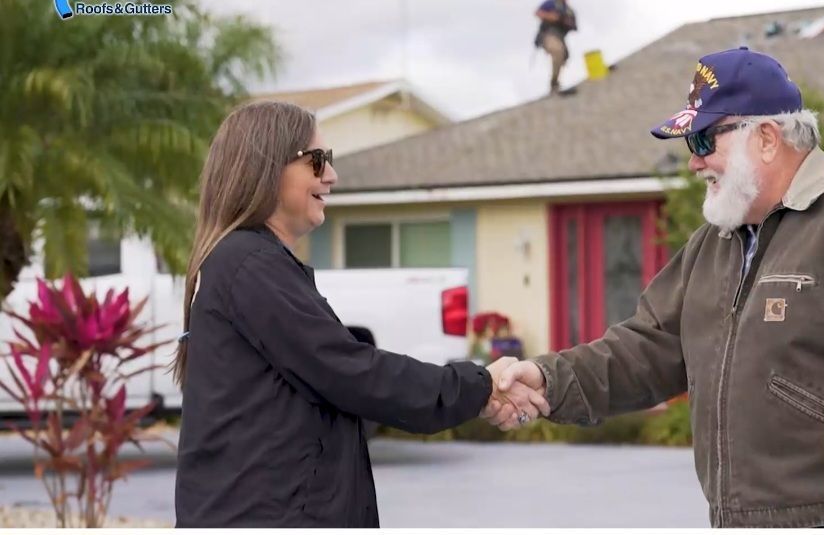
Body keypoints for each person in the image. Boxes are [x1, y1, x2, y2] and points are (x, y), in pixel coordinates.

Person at [489, 47, 824, 527]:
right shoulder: (716, 243)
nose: (694, 164)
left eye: (703, 141)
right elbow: (644, 351)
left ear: (766, 137)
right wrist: (547, 380)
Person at [172, 101, 547, 527]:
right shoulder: (248, 265)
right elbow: (353, 373)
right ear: (267, 166)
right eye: (318, 160)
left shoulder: (248, 264)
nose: (331, 175)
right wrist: (480, 387)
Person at [534, 0, 577, 94]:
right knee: (558, 51)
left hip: (560, 37)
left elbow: (574, 25)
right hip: (547, 34)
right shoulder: (551, 3)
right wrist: (551, 17)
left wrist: (565, 21)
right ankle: (554, 83)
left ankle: (554, 83)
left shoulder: (569, 10)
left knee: (562, 55)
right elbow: (537, 12)